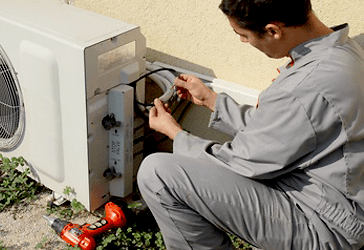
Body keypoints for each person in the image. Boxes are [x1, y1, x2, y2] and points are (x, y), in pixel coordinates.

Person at [137, 0, 364, 249]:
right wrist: (212, 100)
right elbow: (282, 131)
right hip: (342, 205)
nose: (244, 42)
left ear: (273, 31)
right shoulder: (346, 49)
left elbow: (242, 162)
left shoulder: (303, 86)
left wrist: (175, 133)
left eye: (243, 35)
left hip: (329, 226)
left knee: (158, 174)